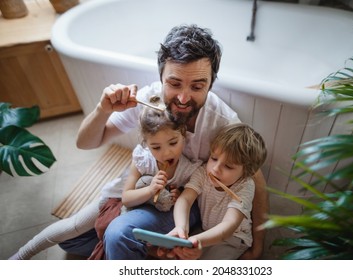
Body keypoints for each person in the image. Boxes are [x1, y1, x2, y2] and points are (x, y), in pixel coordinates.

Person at [63, 24, 268, 260]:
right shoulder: (149, 102)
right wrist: (103, 109)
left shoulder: (223, 121)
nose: (183, 98)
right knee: (72, 241)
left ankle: (134, 245)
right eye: (174, 83)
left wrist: (258, 247)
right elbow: (85, 143)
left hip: (178, 202)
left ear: (211, 84)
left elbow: (256, 180)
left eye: (197, 86)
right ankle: (141, 249)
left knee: (118, 235)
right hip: (141, 190)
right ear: (161, 78)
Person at [8, 96, 201, 260]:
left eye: (173, 142)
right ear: (146, 144)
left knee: (119, 236)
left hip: (144, 215)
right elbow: (126, 197)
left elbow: (185, 200)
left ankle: (128, 249)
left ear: (183, 135)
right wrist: (150, 190)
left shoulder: (187, 168)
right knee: (70, 233)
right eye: (156, 147)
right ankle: (20, 256)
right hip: (122, 201)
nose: (166, 152)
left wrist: (177, 194)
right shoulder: (143, 158)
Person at [168, 123, 267, 259]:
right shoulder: (203, 172)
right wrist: (180, 227)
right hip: (206, 229)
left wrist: (197, 241)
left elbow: (228, 226)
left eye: (228, 166)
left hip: (233, 238)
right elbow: (185, 199)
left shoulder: (245, 186)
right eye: (214, 158)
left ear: (246, 172)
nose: (215, 169)